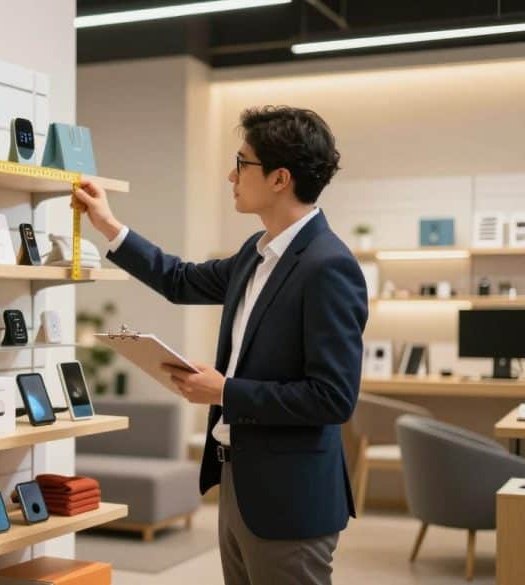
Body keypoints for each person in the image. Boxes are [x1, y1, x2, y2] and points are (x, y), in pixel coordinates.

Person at [73, 106, 368, 585]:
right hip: (239, 485)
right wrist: (108, 225)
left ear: (280, 179)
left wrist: (225, 391)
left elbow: (332, 398)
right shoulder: (257, 252)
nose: (232, 175)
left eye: (242, 163)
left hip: (290, 500)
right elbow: (179, 280)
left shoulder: (328, 266)